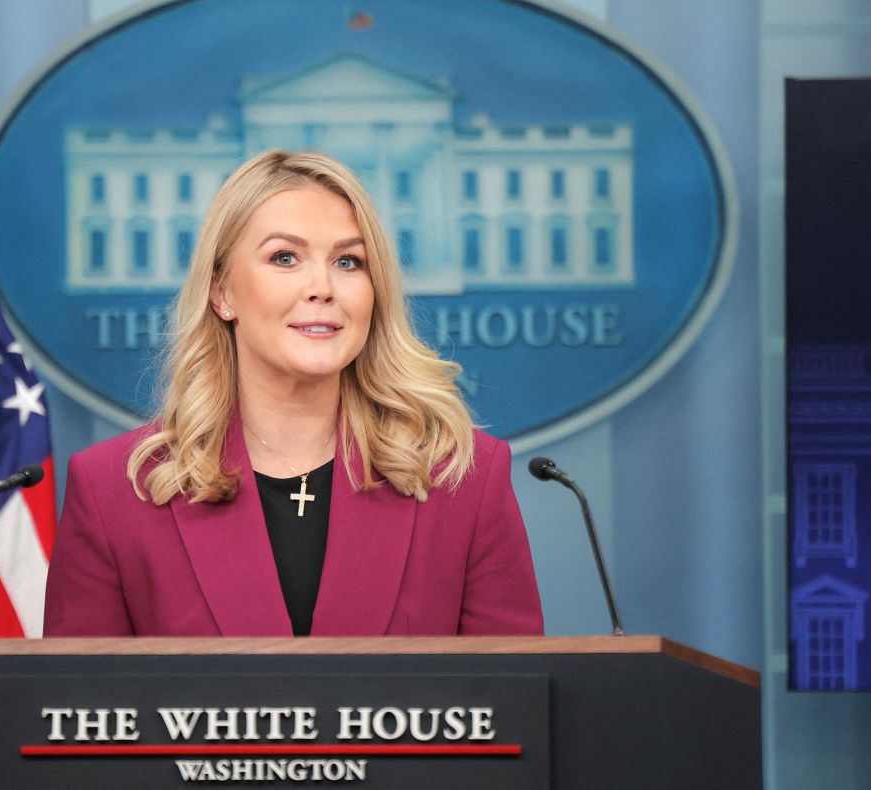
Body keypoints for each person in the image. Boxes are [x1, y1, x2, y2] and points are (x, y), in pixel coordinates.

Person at [44, 149, 543, 637]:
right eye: (285, 257)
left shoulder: (464, 478)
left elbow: (512, 705)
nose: (322, 286)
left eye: (349, 262)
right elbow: (79, 711)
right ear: (222, 293)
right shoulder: (113, 491)